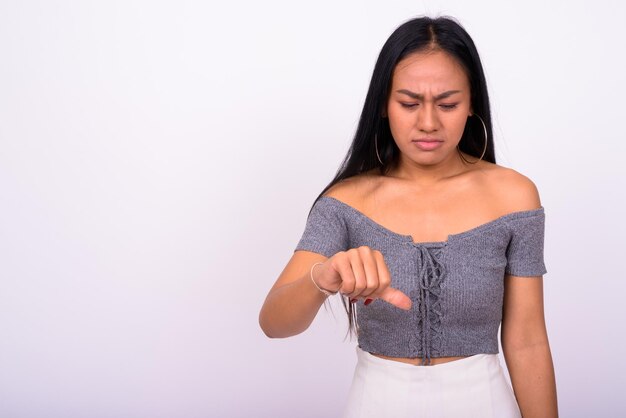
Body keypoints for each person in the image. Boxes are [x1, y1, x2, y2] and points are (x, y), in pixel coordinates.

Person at [259, 15, 558, 418]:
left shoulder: (515, 197)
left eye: (448, 104)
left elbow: (527, 339)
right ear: (383, 105)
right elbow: (274, 323)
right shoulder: (345, 202)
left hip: (484, 404)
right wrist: (322, 278)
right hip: (377, 403)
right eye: (409, 103)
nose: (429, 122)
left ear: (471, 104)